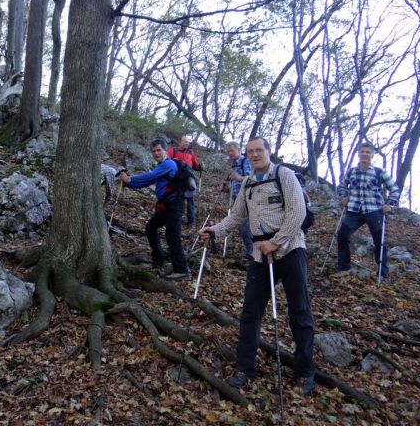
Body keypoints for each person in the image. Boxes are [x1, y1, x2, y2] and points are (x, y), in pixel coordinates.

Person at [200, 137, 315, 396]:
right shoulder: (249, 183)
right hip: (259, 256)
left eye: (258, 150)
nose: (254, 155)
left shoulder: (285, 175)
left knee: (299, 311)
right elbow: (238, 215)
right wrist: (215, 231)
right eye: (250, 151)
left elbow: (298, 213)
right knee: (250, 312)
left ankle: (305, 372)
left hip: (291, 249)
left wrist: (276, 242)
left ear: (269, 152)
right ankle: (244, 369)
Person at [120, 138, 191, 281]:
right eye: (153, 151)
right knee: (150, 228)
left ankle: (182, 270)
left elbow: (149, 175)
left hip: (175, 205)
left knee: (173, 237)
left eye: (159, 150)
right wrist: (129, 184)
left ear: (165, 150)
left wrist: (130, 179)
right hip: (164, 205)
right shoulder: (161, 167)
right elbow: (147, 182)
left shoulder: (169, 164)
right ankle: (159, 260)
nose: (156, 153)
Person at [336, 142, 400, 279]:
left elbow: (394, 189)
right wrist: (343, 196)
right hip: (354, 210)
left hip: (374, 210)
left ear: (372, 155)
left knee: (379, 241)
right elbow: (341, 186)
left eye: (367, 152)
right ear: (358, 154)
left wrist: (389, 204)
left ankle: (382, 273)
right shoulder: (351, 171)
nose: (365, 154)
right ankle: (344, 266)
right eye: (362, 152)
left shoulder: (379, 172)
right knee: (342, 236)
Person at [219, 141, 254, 259]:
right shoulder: (234, 165)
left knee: (245, 226)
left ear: (239, 150)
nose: (230, 153)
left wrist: (238, 178)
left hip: (246, 199)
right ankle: (251, 250)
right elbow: (235, 186)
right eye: (228, 151)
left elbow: (251, 180)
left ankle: (252, 252)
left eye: (232, 150)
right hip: (236, 199)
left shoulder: (245, 161)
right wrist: (226, 189)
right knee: (241, 226)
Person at [168, 135, 202, 227]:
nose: (187, 143)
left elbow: (195, 166)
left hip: (189, 179)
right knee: (178, 199)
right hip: (177, 179)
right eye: (185, 141)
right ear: (180, 142)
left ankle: (191, 221)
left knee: (190, 200)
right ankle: (176, 219)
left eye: (188, 142)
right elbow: (166, 162)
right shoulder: (173, 152)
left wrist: (200, 166)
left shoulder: (190, 152)